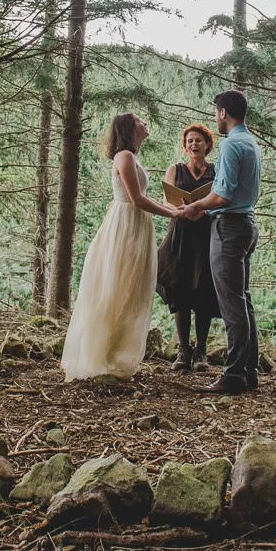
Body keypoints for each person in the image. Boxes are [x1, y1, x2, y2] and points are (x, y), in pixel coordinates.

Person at [61, 113, 176, 382]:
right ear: (128, 128)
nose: (144, 122)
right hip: (126, 225)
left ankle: (117, 352)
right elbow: (136, 199)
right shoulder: (124, 156)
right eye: (139, 120)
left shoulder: (133, 158)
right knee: (118, 285)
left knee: (131, 287)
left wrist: (177, 207)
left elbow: (144, 197)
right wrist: (173, 214)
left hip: (136, 225)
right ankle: (102, 354)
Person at [177, 90, 263, 394]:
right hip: (247, 225)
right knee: (243, 299)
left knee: (232, 304)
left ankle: (234, 374)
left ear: (223, 112)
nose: (216, 116)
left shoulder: (230, 145)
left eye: (217, 111)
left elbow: (222, 195)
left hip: (228, 227)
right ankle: (249, 371)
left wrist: (195, 206)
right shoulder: (250, 142)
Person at [156, 123, 220, 371]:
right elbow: (166, 200)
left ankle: (201, 351)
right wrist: (183, 209)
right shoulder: (175, 169)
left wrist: (202, 208)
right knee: (180, 288)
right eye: (190, 141)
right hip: (180, 233)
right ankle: (183, 351)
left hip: (205, 234)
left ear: (207, 145)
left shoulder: (216, 171)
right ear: (185, 147)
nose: (194, 144)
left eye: (198, 141)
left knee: (203, 290)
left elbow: (220, 199)